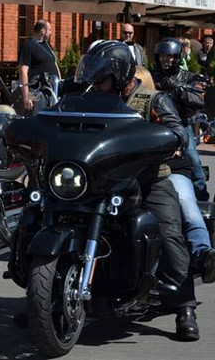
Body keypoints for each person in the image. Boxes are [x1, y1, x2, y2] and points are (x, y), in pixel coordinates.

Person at [75, 40, 201, 341]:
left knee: (169, 234)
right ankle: (49, 298)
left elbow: (178, 132)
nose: (96, 84)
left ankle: (185, 308)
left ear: (119, 75)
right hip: (104, 181)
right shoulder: (91, 98)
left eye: (101, 78)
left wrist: (167, 139)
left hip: (149, 180)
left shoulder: (153, 100)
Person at [134, 66, 215, 282]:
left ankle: (203, 253)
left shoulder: (158, 105)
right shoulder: (119, 109)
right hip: (133, 173)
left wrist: (176, 140)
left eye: (136, 82)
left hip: (170, 168)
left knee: (187, 207)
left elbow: (178, 130)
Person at [152, 37, 210, 201]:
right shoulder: (152, 75)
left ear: (177, 58)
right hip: (156, 126)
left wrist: (181, 90)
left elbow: (200, 99)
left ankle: (201, 195)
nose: (166, 60)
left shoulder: (187, 76)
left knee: (193, 159)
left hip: (181, 125)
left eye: (170, 56)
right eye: (163, 56)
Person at [17, 20, 61, 114]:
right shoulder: (28, 45)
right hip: (36, 91)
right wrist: (26, 96)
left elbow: (54, 64)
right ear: (43, 31)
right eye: (49, 30)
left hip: (52, 91)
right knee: (36, 119)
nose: (51, 32)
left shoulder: (47, 45)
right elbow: (23, 71)